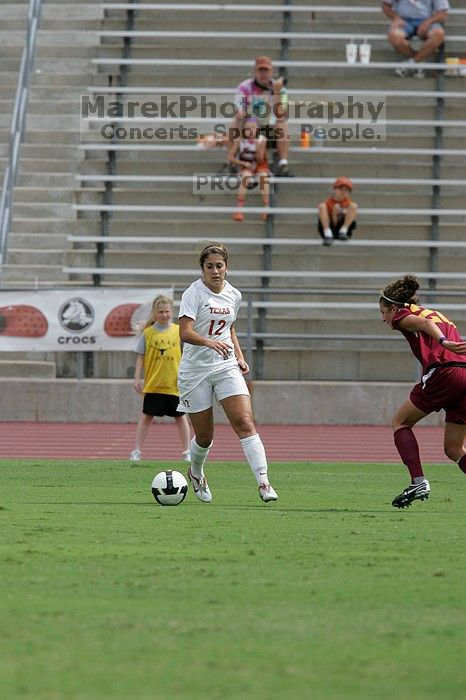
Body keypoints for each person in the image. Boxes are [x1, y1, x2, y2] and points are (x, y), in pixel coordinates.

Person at [177, 242, 278, 503]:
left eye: (219, 265)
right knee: (204, 436)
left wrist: (239, 356)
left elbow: (229, 328)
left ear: (226, 267)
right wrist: (210, 342)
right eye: (209, 266)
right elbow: (185, 332)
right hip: (194, 370)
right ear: (202, 269)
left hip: (225, 365)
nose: (214, 270)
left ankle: (264, 482)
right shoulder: (193, 293)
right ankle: (196, 471)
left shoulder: (234, 294)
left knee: (244, 422)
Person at [379, 274, 466, 508]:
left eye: (383, 312)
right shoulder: (434, 312)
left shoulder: (403, 316)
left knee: (400, 422)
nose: (384, 319)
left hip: (445, 373)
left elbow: (427, 327)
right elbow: (431, 322)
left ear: (393, 307)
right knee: (454, 449)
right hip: (464, 374)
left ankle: (418, 481)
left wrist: (444, 342)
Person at [130, 295, 191, 463]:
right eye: (160, 312)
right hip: (153, 384)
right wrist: (137, 379)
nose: (164, 314)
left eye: (167, 311)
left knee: (181, 417)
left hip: (174, 384)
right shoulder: (148, 333)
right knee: (146, 417)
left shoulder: (178, 331)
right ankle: (137, 450)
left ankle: (187, 451)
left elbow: (187, 356)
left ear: (172, 312)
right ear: (154, 313)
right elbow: (141, 357)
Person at [231, 55, 292, 177]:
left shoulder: (281, 89)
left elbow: (281, 113)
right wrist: (247, 115)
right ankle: (232, 162)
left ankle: (283, 163)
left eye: (266, 70)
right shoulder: (244, 87)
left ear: (271, 72)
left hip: (270, 127)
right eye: (260, 70)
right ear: (255, 71)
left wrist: (277, 94)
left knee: (282, 122)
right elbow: (238, 109)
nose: (263, 74)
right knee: (235, 121)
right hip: (251, 126)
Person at [382, 0, 449, 78]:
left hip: (427, 20)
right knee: (394, 35)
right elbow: (385, 6)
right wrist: (396, 18)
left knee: (439, 34)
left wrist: (428, 22)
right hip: (404, 21)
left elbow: (443, 14)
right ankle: (418, 62)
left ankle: (411, 63)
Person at [227, 116, 270, 223]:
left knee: (263, 176)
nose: (249, 131)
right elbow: (230, 157)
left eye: (252, 128)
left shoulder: (262, 140)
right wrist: (242, 163)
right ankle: (239, 208)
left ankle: (266, 207)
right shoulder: (240, 140)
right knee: (246, 176)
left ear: (257, 129)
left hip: (260, 165)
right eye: (247, 128)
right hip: (246, 165)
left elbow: (260, 160)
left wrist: (258, 147)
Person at [317, 177, 358, 247]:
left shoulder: (348, 204)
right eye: (341, 189)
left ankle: (343, 231)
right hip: (330, 228)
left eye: (346, 190)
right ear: (335, 189)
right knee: (322, 206)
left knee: (354, 206)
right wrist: (333, 214)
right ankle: (328, 234)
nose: (343, 192)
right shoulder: (328, 203)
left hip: (343, 229)